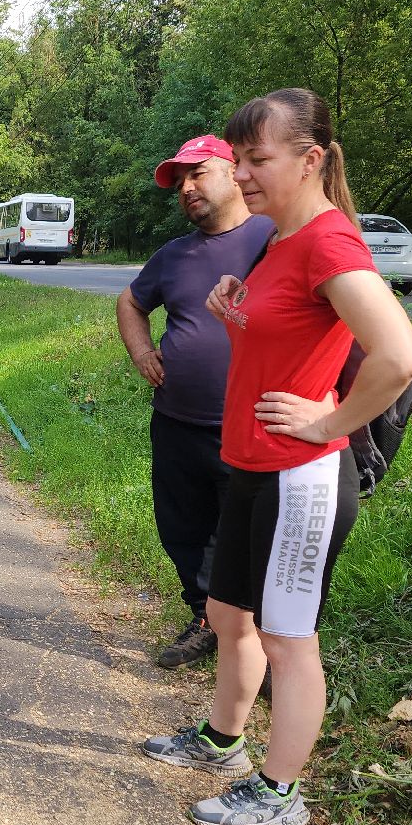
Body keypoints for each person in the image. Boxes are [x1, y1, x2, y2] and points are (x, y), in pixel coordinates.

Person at [142, 88, 412, 825]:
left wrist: (330, 419)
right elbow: (286, 335)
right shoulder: (279, 240)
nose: (242, 172)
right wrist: (242, 309)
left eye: (257, 158)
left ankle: (279, 793)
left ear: (311, 159)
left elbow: (399, 356)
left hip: (301, 478)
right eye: (238, 158)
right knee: (230, 613)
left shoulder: (329, 242)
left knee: (289, 640)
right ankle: (222, 743)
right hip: (251, 465)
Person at [117, 135, 274, 669]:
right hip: (178, 422)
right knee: (183, 528)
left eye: (197, 173)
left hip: (252, 426)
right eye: (179, 181)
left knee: (252, 534)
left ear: (234, 172)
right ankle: (206, 618)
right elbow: (131, 301)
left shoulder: (272, 236)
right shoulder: (174, 255)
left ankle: (272, 646)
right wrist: (142, 351)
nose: (187, 188)